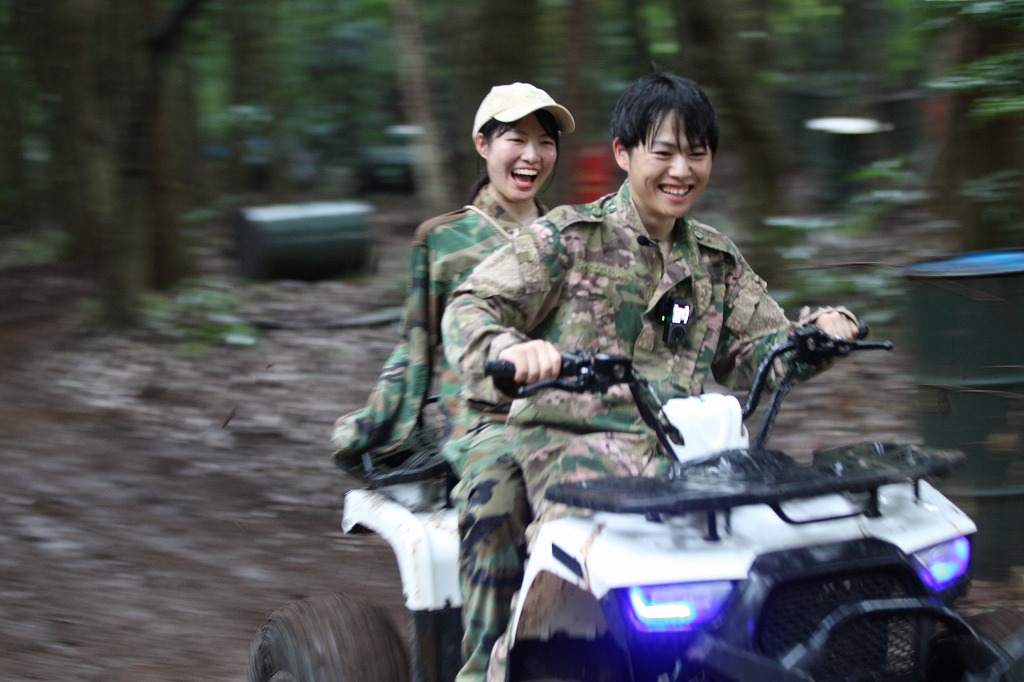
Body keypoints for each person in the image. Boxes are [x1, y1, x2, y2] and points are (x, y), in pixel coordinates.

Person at [441, 69, 859, 680]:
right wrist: (509, 347)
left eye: (697, 153)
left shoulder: (714, 261)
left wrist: (818, 336)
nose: (681, 170)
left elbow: (759, 357)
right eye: (663, 152)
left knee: (778, 554)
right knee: (576, 578)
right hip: (575, 445)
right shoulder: (569, 239)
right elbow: (470, 305)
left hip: (688, 452)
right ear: (623, 153)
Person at [330, 82, 575, 682]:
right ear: (482, 144)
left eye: (545, 143)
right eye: (516, 139)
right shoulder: (441, 240)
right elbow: (415, 347)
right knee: (495, 500)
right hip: (486, 422)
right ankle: (483, 667)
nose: (532, 156)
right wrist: (371, 427)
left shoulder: (574, 235)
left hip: (573, 417)